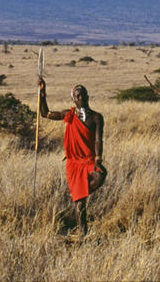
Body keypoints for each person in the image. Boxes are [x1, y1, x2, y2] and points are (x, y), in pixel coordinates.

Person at [38, 76, 106, 237]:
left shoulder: (96, 117)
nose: (80, 98)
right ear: (73, 99)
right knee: (80, 204)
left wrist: (98, 158)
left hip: (89, 159)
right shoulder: (68, 114)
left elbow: (98, 139)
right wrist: (42, 93)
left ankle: (78, 194)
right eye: (77, 96)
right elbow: (45, 113)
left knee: (101, 174)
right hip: (74, 162)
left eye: (83, 95)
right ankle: (83, 233)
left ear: (88, 96)